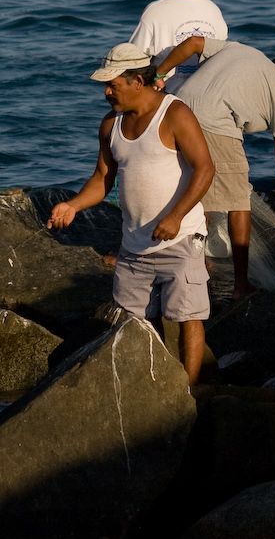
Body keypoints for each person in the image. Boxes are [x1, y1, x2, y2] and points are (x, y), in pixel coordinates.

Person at [47, 43, 215, 384]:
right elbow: (101, 180)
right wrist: (73, 205)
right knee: (135, 321)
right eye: (105, 85)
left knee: (189, 316)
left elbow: (205, 169)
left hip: (181, 236)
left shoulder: (175, 114)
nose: (107, 92)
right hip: (135, 243)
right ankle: (149, 388)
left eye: (113, 85)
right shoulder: (111, 125)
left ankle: (189, 391)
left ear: (138, 80)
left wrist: (176, 216)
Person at [178, 41, 275, 298]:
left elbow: (193, 42)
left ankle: (188, 268)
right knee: (239, 201)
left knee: (195, 195)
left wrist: (158, 74)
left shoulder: (243, 54)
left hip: (177, 109)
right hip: (213, 122)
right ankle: (240, 284)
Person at [128, 0, 227, 94]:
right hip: (207, 97)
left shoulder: (156, 10)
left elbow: (132, 60)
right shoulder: (214, 10)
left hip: (168, 100)